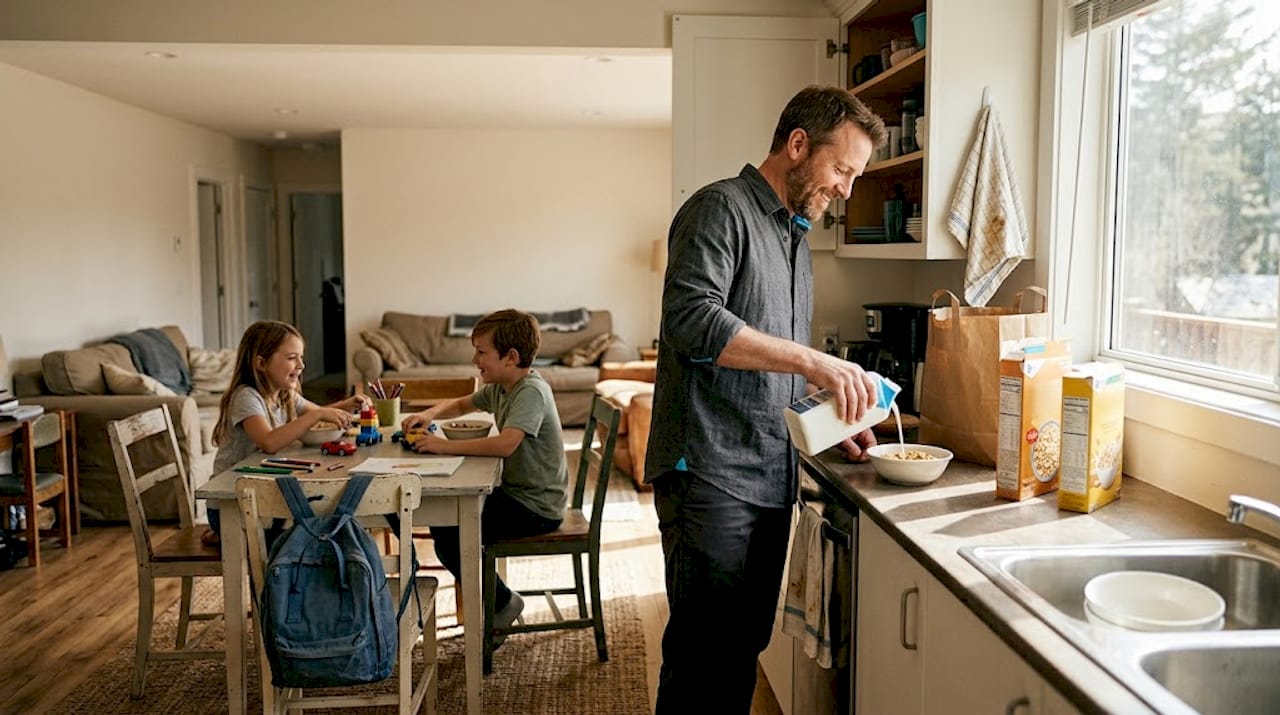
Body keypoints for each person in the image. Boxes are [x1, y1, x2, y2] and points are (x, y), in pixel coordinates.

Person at [646, 85, 889, 712]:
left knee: (740, 650)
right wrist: (816, 360)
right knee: (703, 659)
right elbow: (692, 320)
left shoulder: (794, 237)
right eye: (842, 169)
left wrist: (835, 413)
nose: (846, 189)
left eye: (855, 176)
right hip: (707, 472)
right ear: (798, 144)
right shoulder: (719, 209)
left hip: (767, 472)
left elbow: (770, 362)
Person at [400, 308, 569, 639]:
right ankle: (499, 599)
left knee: (451, 532)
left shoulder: (530, 391)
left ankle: (503, 602)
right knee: (447, 523)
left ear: (510, 357)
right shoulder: (504, 386)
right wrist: (428, 413)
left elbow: (506, 445)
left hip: (538, 507)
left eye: (482, 352)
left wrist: (440, 445)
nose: (475, 359)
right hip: (519, 494)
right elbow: (464, 404)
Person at [202, 320, 367, 546]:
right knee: (311, 534)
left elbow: (319, 413)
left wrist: (347, 404)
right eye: (291, 358)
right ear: (261, 363)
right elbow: (269, 442)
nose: (301, 365)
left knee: (316, 521)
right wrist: (315, 416)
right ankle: (229, 539)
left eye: (300, 357)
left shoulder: (283, 394)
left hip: (264, 497)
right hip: (231, 505)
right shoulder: (246, 397)